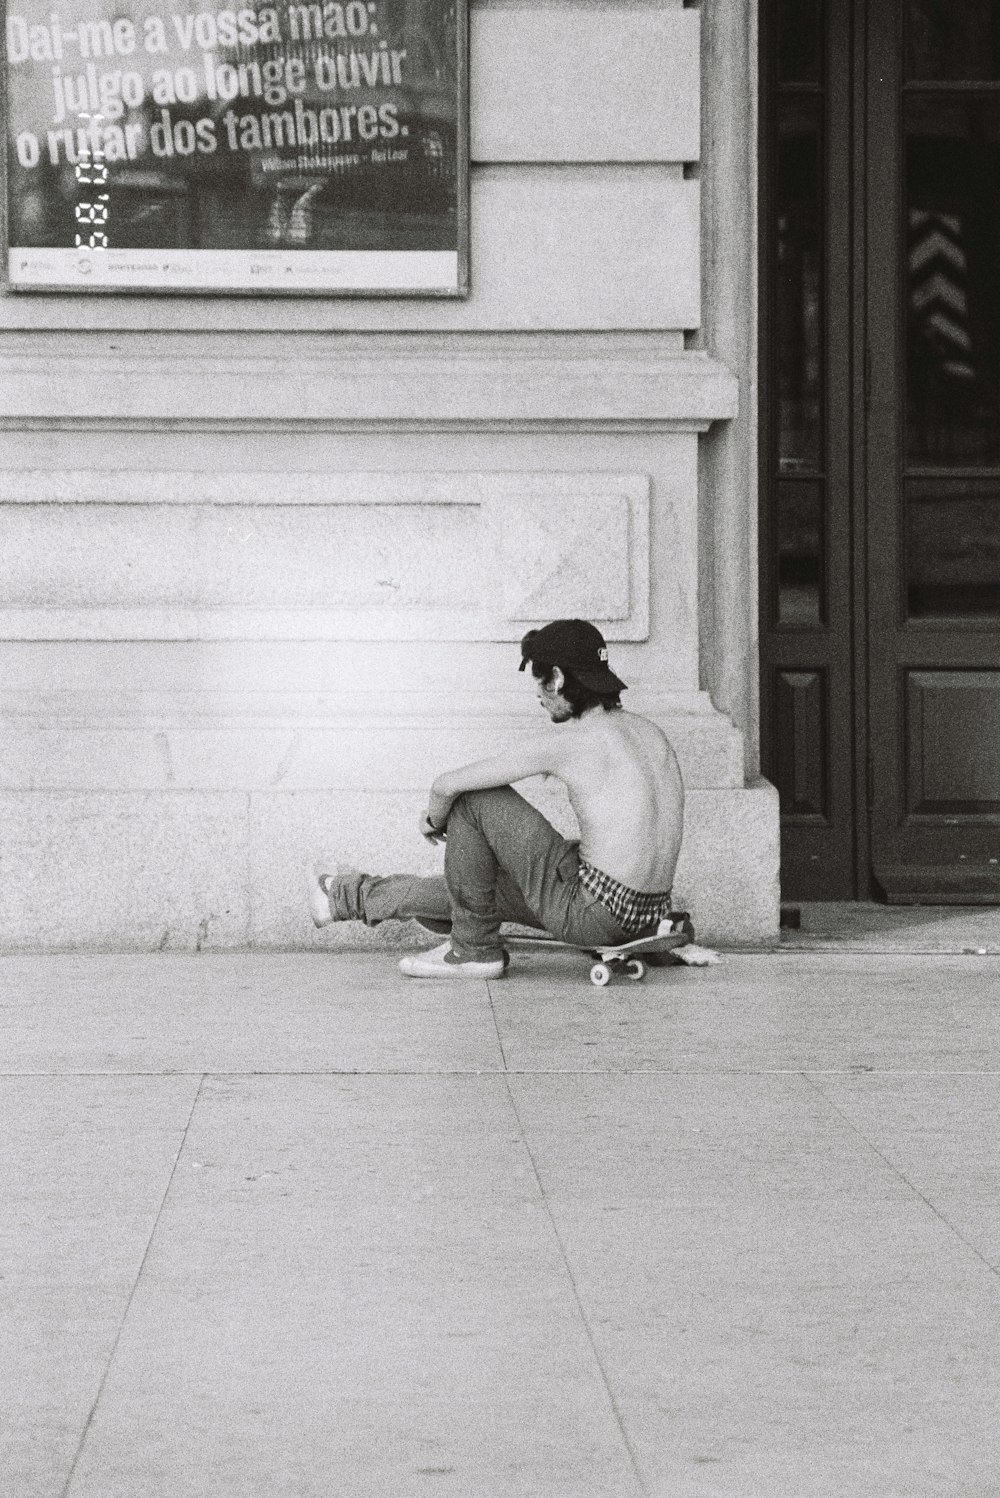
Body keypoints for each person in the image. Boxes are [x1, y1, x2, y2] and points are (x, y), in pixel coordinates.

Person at [306, 619, 685, 979]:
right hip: (647, 917)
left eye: (539, 680)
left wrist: (435, 821)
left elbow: (446, 785)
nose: (538, 694)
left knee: (474, 799)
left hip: (590, 913)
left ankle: (473, 951)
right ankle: (342, 897)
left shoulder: (573, 742)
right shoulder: (652, 735)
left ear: (557, 678)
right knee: (480, 890)